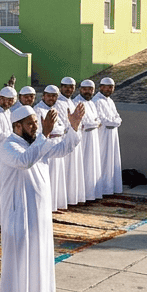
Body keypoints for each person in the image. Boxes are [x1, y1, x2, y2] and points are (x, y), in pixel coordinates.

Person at [0, 102, 84, 292]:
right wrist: (44, 135)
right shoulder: (8, 146)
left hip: (38, 212)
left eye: (36, 122)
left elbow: (64, 148)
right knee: (16, 261)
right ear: (17, 126)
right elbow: (24, 161)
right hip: (17, 212)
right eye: (31, 124)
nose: (35, 127)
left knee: (37, 257)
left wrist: (73, 127)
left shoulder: (38, 142)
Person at [36, 86, 71, 211]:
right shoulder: (38, 110)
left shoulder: (54, 109)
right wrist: (55, 130)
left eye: (54, 96)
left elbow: (63, 127)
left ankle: (54, 204)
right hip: (47, 146)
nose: (51, 98)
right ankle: (46, 206)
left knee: (57, 177)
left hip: (57, 143)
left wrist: (56, 130)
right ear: (43, 96)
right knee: (49, 176)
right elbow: (40, 131)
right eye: (49, 95)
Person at [74, 80, 103, 203]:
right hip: (83, 140)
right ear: (80, 90)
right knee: (84, 166)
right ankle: (82, 195)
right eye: (85, 89)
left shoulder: (91, 103)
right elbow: (83, 124)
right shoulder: (77, 103)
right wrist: (95, 123)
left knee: (93, 165)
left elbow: (98, 120)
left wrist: (94, 123)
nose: (88, 91)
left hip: (93, 138)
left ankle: (92, 193)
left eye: (90, 89)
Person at [58, 78, 85, 206]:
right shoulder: (58, 103)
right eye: (66, 87)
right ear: (61, 87)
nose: (69, 89)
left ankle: (71, 197)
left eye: (71, 87)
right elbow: (62, 124)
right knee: (65, 171)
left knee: (73, 169)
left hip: (74, 138)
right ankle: (63, 199)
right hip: (64, 140)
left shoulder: (72, 102)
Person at [94, 78, 124, 196]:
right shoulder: (96, 101)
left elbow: (117, 117)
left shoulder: (110, 101)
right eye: (107, 87)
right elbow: (102, 120)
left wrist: (116, 122)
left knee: (112, 160)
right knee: (103, 160)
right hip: (102, 135)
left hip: (112, 136)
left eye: (111, 87)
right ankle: (102, 189)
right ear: (101, 87)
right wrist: (115, 122)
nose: (109, 89)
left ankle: (110, 188)